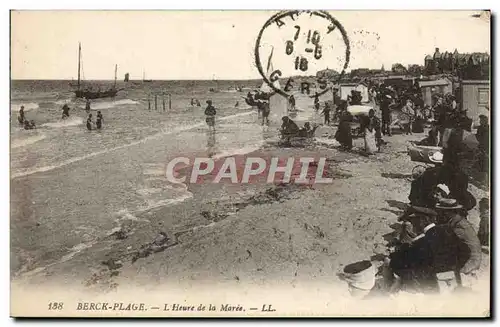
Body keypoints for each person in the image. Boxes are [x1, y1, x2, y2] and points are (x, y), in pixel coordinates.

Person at [435, 198, 482, 277]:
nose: (440, 214)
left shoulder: (459, 226)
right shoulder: (457, 221)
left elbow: (452, 246)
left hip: (469, 263)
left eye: (441, 211)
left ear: (447, 212)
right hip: (469, 259)